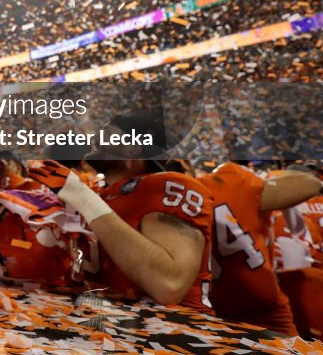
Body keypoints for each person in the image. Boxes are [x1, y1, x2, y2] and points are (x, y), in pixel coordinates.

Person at [28, 114, 216, 312]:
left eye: (107, 133)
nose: (95, 138)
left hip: (178, 330)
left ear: (132, 148)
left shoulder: (164, 187)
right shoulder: (107, 195)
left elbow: (169, 285)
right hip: (114, 325)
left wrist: (82, 196)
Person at [197, 161, 321, 334]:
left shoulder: (177, 197)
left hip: (209, 308)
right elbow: (311, 184)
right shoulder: (232, 181)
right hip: (261, 307)